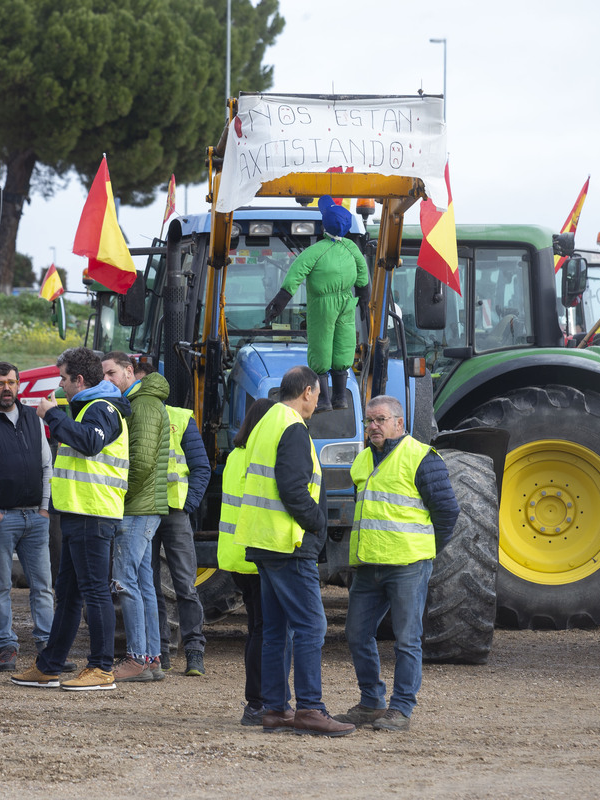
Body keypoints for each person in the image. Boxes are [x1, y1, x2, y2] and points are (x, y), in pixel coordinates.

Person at [234, 365, 354, 737]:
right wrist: (319, 522)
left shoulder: (265, 424)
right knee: (311, 625)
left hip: (263, 542)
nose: (318, 402)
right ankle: (310, 709)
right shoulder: (291, 427)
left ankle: (274, 710)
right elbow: (293, 489)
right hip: (288, 543)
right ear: (306, 392)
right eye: (318, 395)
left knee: (275, 629)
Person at [333, 395, 459, 732]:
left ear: (399, 424)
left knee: (407, 639)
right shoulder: (362, 461)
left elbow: (448, 511)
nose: (373, 426)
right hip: (369, 565)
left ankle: (401, 708)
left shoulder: (421, 458)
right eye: (369, 421)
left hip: (407, 564)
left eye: (380, 420)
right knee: (357, 633)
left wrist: (427, 550)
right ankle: (372, 701)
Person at [11, 347, 131, 691]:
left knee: (95, 592)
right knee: (69, 593)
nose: (60, 384)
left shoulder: (102, 408)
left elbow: (90, 443)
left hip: (95, 512)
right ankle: (49, 665)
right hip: (79, 512)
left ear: (78, 379)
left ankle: (101, 668)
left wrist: (52, 416)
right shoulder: (88, 407)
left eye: (63, 378)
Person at [0, 361, 60, 674]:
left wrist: (44, 507)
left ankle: (47, 646)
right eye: (1, 382)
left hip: (35, 517)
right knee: (0, 586)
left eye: (12, 382)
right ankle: (6, 647)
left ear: (19, 386)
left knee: (43, 586)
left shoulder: (33, 418)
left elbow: (47, 465)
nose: (8, 388)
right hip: (1, 518)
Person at [263, 195, 369, 412]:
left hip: (322, 305)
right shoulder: (352, 249)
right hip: (347, 303)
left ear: (324, 225)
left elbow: (295, 274)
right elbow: (363, 277)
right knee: (344, 344)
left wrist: (280, 302)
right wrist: (364, 302)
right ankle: (341, 397)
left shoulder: (316, 251)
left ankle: (323, 400)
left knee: (321, 345)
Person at [102, 351, 170, 683]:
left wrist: (116, 496)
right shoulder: (144, 402)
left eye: (111, 373)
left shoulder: (142, 405)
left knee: (125, 581)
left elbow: (140, 463)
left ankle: (136, 658)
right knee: (142, 583)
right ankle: (152, 658)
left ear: (130, 372)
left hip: (136, 508)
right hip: (145, 507)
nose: (107, 381)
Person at [142, 361, 211, 677]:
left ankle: (194, 651)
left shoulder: (181, 419)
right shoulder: (130, 418)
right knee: (149, 585)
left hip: (172, 511)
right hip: (143, 511)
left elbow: (201, 467)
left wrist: (187, 505)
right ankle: (161, 652)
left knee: (185, 584)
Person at [217, 397, 273, 724]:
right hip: (258, 555)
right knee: (265, 631)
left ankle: (255, 702)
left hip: (236, 556)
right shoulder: (259, 457)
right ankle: (257, 704)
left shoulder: (235, 457)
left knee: (256, 629)